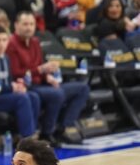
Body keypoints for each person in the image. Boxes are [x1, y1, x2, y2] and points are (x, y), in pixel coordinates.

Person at [6, 11, 90, 145]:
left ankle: (62, 128)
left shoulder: (35, 42)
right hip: (27, 86)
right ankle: (47, 132)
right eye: (25, 24)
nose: (29, 27)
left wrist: (48, 77)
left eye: (31, 24)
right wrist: (40, 70)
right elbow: (16, 73)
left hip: (42, 84)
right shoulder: (11, 44)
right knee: (56, 94)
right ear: (16, 25)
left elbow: (41, 67)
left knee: (82, 88)